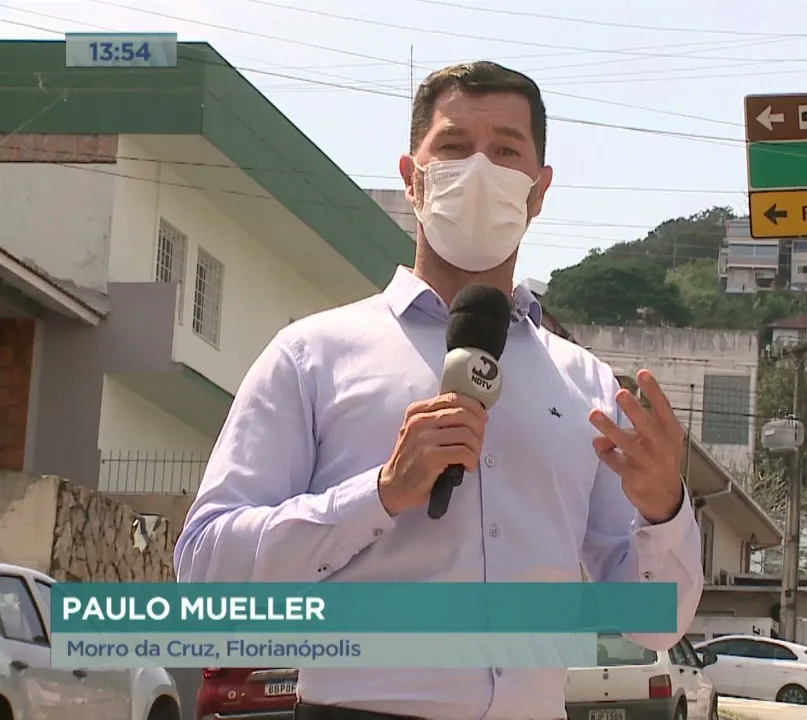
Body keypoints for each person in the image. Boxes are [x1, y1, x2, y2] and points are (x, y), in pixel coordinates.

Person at [174, 61, 704, 720]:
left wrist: (661, 510)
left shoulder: (586, 384)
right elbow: (206, 572)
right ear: (411, 178)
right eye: (454, 147)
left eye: (506, 151)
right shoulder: (311, 357)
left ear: (538, 192)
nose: (480, 169)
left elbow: (655, 626)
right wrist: (380, 493)